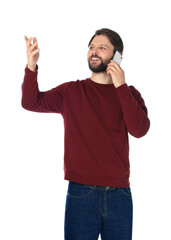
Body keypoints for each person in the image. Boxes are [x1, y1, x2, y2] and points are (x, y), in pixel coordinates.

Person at [22, 28, 150, 240]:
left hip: (120, 196)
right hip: (81, 194)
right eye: (91, 47)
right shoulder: (71, 91)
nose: (94, 52)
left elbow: (140, 130)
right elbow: (30, 102)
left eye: (102, 48)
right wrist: (31, 66)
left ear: (117, 56)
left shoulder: (129, 94)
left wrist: (121, 86)